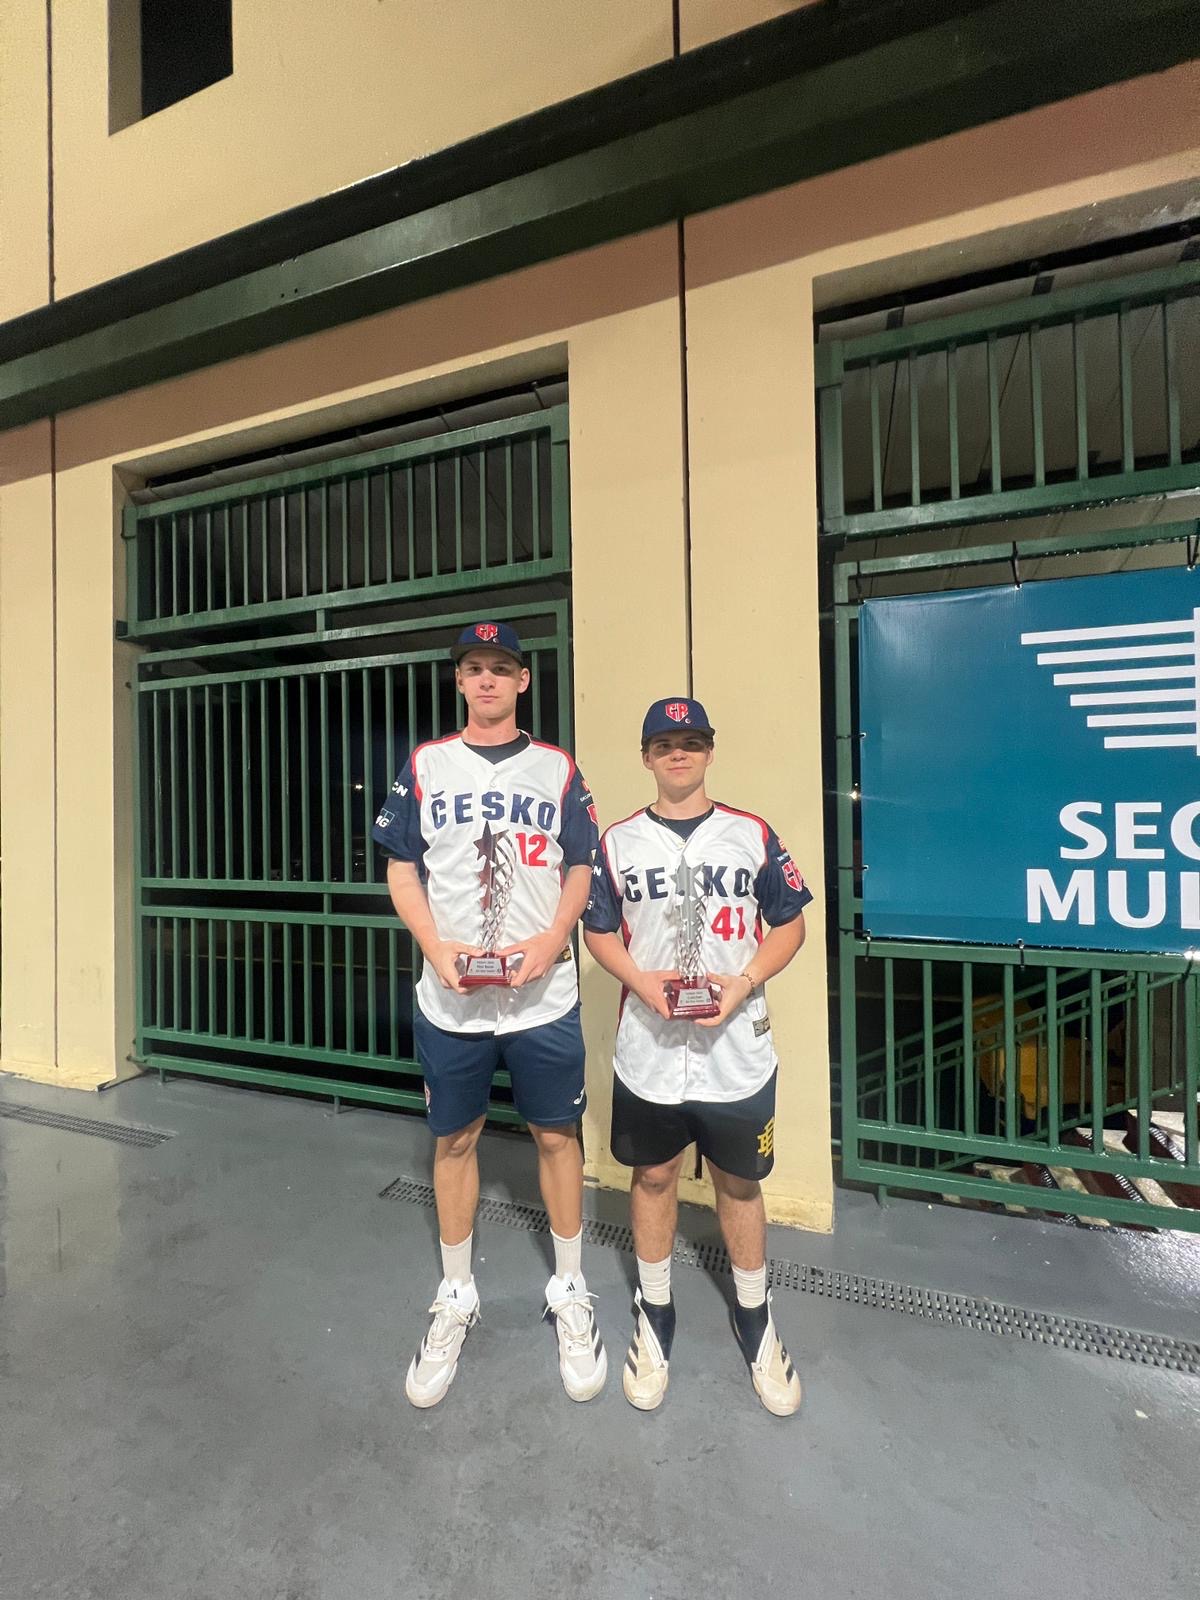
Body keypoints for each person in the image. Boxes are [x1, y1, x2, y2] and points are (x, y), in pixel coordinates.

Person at [372, 621, 605, 1408]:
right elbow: (402, 867)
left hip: (542, 996)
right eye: (474, 667)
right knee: (456, 1138)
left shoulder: (557, 768)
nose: (486, 679)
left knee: (556, 1136)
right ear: (460, 680)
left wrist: (554, 937)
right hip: (453, 998)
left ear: (522, 681)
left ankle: (569, 1287)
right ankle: (456, 1292)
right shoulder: (427, 764)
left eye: (500, 667)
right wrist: (434, 946)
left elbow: (581, 865)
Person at [582, 698, 811, 1417]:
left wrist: (743, 982)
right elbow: (598, 930)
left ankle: (755, 1315)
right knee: (652, 1177)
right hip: (650, 1050)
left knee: (739, 1184)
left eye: (690, 741)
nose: (677, 753)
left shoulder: (751, 833)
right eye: (663, 743)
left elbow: (790, 924)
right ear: (646, 757)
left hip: (736, 1051)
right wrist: (641, 981)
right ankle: (655, 1310)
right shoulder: (617, 842)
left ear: (710, 751)